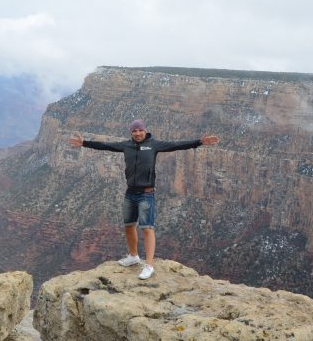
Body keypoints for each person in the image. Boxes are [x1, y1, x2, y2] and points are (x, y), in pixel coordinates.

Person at [68, 119, 219, 280]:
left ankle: (149, 265)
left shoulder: (154, 144)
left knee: (147, 228)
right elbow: (106, 146)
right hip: (130, 192)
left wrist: (199, 142)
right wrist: (84, 143)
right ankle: (133, 256)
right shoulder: (126, 145)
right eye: (134, 131)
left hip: (146, 194)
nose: (138, 133)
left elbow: (177, 144)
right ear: (131, 132)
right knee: (129, 225)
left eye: (140, 130)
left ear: (145, 131)